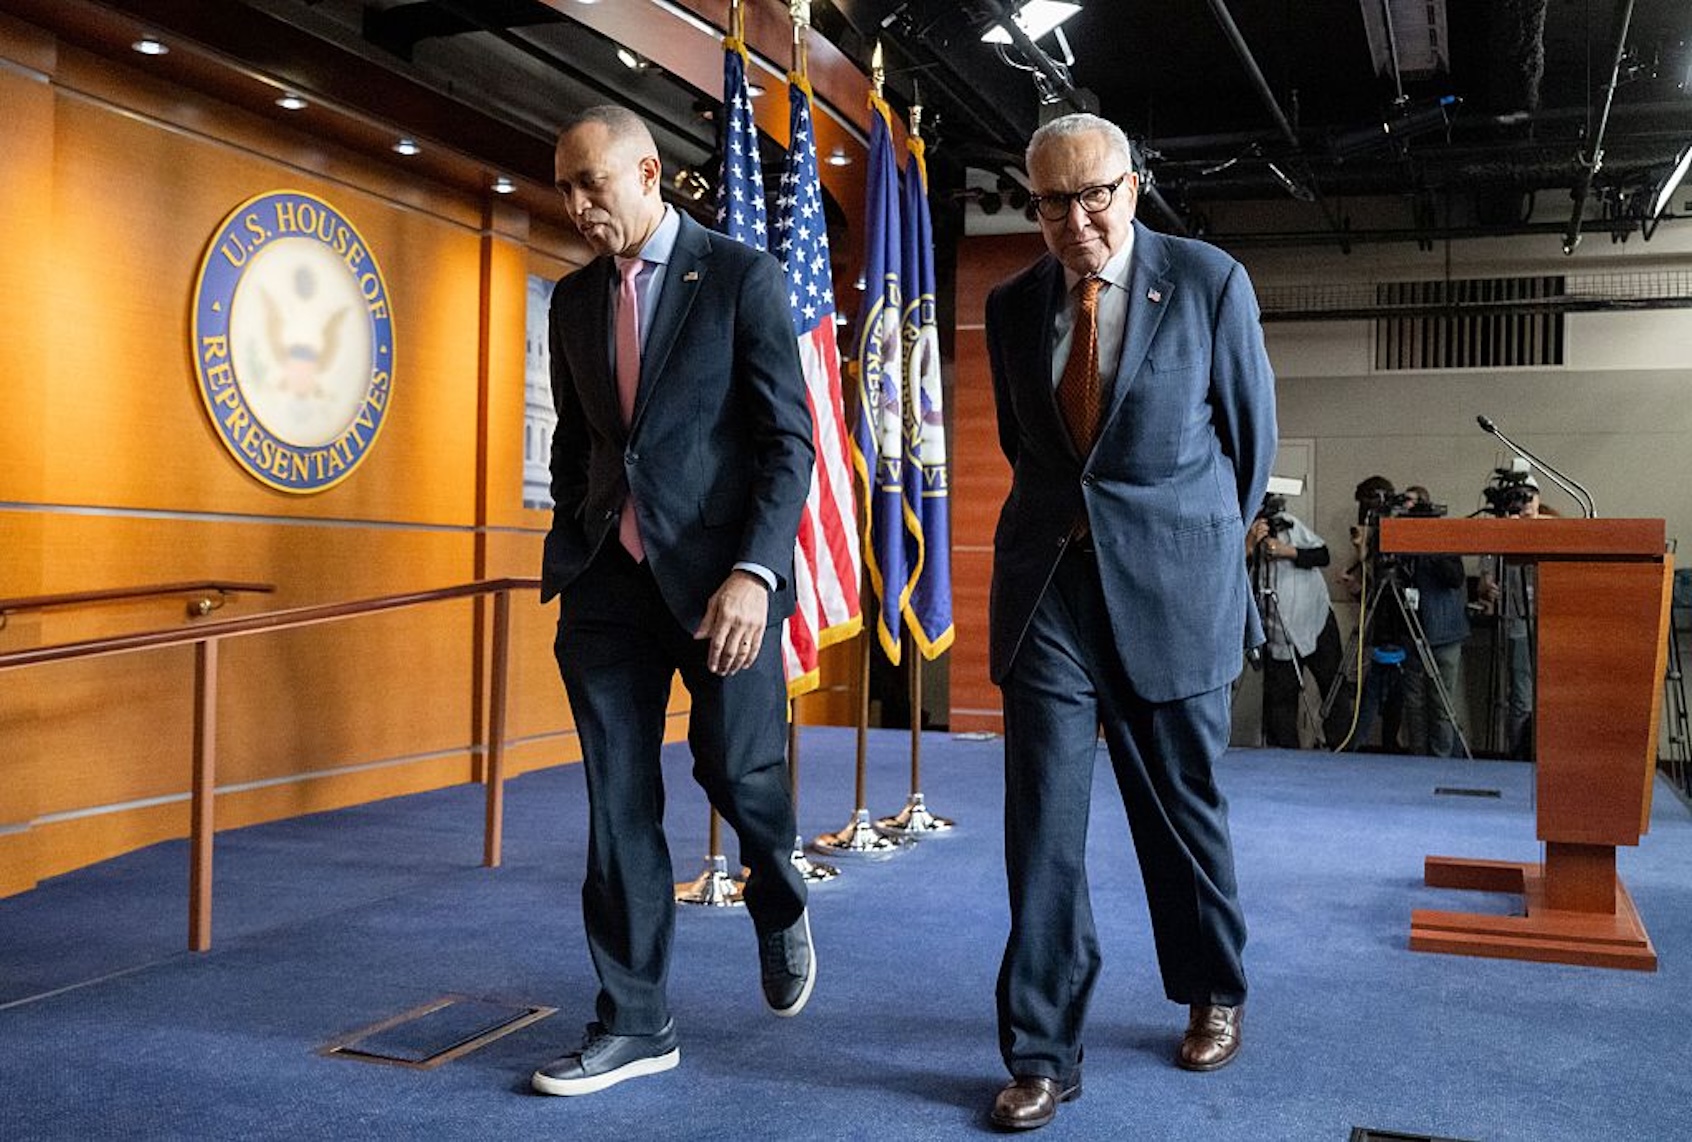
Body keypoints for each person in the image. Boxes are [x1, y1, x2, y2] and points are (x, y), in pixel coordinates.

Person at [982, 112, 1277, 1130]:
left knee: (1180, 811)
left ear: (1135, 185)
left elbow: (1248, 444)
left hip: (1172, 589)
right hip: (1049, 590)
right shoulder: (1010, 306)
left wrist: (1185, 552)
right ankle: (1039, 1049)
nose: (1078, 219)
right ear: (1035, 208)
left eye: (1095, 193)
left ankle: (1213, 987)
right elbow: (1029, 450)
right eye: (1054, 202)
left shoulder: (1207, 282)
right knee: (1043, 832)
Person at [533, 105, 817, 1097]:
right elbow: (580, 438)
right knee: (617, 803)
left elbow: (789, 440)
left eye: (591, 184)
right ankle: (635, 1019)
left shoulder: (740, 276)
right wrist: (574, 528)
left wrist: (757, 572)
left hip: (722, 584)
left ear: (648, 174)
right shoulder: (570, 301)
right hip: (608, 586)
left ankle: (777, 894)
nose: (575, 204)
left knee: (738, 776)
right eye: (564, 186)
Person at [1247, 505, 1345, 748]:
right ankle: (1286, 758)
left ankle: (1342, 748)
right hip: (1277, 629)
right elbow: (1233, 572)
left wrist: (1286, 551)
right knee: (1281, 701)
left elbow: (1322, 555)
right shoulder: (1242, 534)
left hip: (1315, 618)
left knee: (1334, 690)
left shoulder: (1288, 523)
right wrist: (1249, 545)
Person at [1398, 485, 1470, 757]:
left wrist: (1430, 546)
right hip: (1411, 632)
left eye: (1410, 503)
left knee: (1442, 703)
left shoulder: (1444, 536)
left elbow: (1455, 577)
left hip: (1444, 633)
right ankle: (1419, 757)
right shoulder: (1400, 537)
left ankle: (1442, 760)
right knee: (1414, 704)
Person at [1478, 476, 1541, 758]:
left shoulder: (1555, 527)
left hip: (1550, 623)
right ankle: (1518, 754)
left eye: (1530, 496)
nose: (1525, 503)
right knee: (1520, 696)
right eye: (1520, 496)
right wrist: (1487, 588)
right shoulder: (1498, 533)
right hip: (1515, 621)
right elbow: (1484, 582)